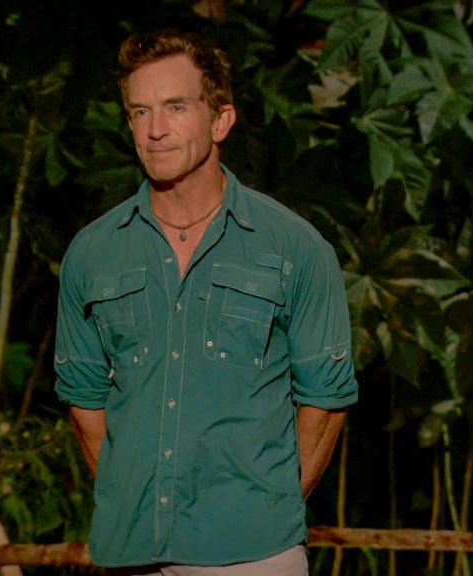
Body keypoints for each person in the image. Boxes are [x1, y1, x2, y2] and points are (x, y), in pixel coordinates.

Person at [54, 28, 358, 575]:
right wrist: (132, 501)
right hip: (130, 552)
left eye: (176, 107)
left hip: (254, 555)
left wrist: (267, 510)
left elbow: (326, 400)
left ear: (221, 121)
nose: (155, 129)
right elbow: (84, 401)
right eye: (140, 111)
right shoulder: (92, 253)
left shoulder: (295, 247)